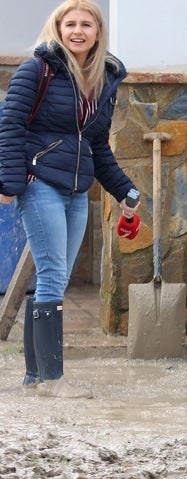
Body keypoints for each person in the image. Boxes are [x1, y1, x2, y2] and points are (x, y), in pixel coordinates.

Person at [0, 0, 139, 398]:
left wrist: (125, 190)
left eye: (87, 24)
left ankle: (33, 379)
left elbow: (97, 145)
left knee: (51, 278)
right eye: (70, 24)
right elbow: (10, 125)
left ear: (98, 32)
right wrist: (9, 184)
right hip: (40, 182)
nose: (78, 31)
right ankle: (53, 380)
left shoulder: (102, 79)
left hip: (77, 190)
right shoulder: (37, 69)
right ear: (58, 29)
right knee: (54, 275)